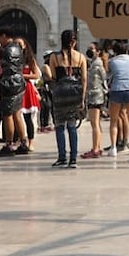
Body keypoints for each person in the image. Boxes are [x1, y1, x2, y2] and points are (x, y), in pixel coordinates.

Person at [47, 30, 88, 168]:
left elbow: (53, 76)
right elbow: (84, 79)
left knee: (59, 127)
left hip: (60, 93)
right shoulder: (81, 57)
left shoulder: (54, 57)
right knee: (72, 126)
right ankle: (73, 159)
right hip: (75, 94)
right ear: (74, 41)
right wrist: (82, 98)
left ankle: (62, 157)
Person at [0, 35, 28, 158]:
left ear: (4, 36)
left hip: (10, 84)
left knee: (7, 115)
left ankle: (9, 144)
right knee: (17, 113)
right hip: (19, 83)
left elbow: (7, 70)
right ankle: (23, 142)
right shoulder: (18, 49)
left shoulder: (7, 50)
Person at [106, 40, 129, 160]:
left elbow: (109, 76)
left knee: (114, 121)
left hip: (117, 89)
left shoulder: (112, 62)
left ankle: (114, 148)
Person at [80, 41, 108, 158]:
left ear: (98, 51)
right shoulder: (94, 63)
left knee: (94, 123)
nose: (89, 50)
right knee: (96, 123)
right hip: (96, 94)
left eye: (92, 48)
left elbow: (103, 78)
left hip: (95, 95)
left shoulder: (97, 64)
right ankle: (97, 146)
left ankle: (95, 149)